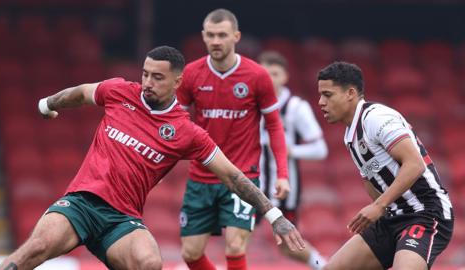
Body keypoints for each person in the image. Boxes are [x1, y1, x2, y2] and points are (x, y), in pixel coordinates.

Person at [0, 46, 306, 270]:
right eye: (145, 74)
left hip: (122, 219)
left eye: (157, 78)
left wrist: (274, 216)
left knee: (149, 263)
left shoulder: (187, 132)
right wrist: (46, 104)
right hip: (81, 204)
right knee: (34, 248)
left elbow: (234, 177)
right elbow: (80, 93)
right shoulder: (119, 92)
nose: (147, 83)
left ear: (177, 82)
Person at [177, 9, 290, 270]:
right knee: (190, 254)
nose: (216, 41)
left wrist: (282, 173)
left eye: (222, 35)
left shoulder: (257, 75)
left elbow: (274, 125)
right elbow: (177, 124)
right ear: (204, 37)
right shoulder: (192, 74)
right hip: (201, 178)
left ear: (236, 36)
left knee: (235, 247)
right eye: (211, 35)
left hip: (242, 176)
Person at [317, 61, 453, 270]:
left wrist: (379, 205)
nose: (321, 102)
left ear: (350, 93)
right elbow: (370, 179)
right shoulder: (350, 135)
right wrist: (380, 208)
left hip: (425, 213)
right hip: (393, 217)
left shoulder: (377, 117)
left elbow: (415, 165)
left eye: (328, 95)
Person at [257, 51, 328, 269]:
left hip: (285, 185)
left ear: (285, 76)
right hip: (251, 182)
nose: (269, 79)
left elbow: (320, 149)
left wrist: (291, 151)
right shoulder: (249, 104)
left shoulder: (296, 107)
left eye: (275, 74)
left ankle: (324, 265)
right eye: (264, 74)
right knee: (238, 232)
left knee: (288, 244)